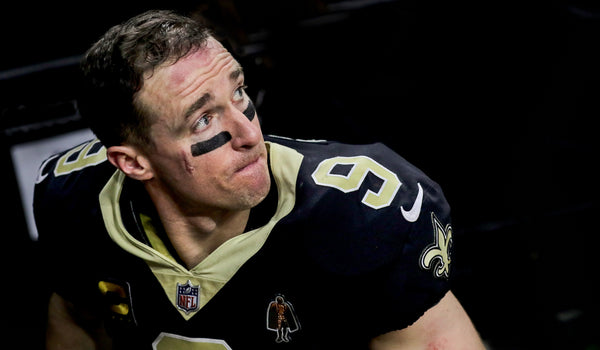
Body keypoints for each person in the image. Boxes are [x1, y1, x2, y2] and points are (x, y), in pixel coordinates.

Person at [34, 9, 485, 349]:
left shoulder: (357, 215)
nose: (251, 134)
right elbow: (75, 322)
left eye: (239, 91)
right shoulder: (77, 203)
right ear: (132, 164)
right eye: (203, 120)